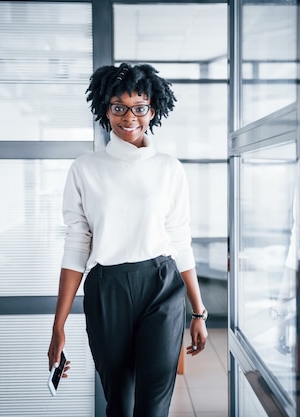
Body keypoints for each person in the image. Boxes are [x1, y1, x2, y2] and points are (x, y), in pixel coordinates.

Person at [47, 62, 208, 417]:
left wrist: (198, 312)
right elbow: (76, 247)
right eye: (118, 107)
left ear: (153, 109)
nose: (129, 117)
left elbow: (180, 239)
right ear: (105, 108)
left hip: (161, 286)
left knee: (152, 406)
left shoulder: (169, 168)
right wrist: (58, 326)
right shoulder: (84, 169)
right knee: (119, 403)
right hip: (108, 288)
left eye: (139, 107)